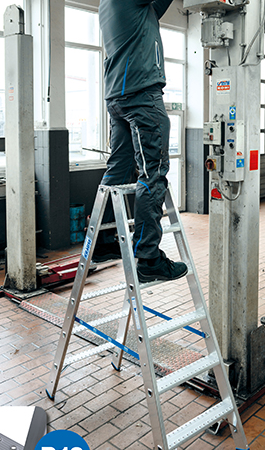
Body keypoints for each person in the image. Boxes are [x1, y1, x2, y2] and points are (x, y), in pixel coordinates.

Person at [93, 0, 187, 283]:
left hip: (118, 97)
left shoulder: (109, 5)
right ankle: (148, 258)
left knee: (118, 170)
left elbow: (155, 8)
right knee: (153, 173)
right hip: (141, 93)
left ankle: (104, 240)